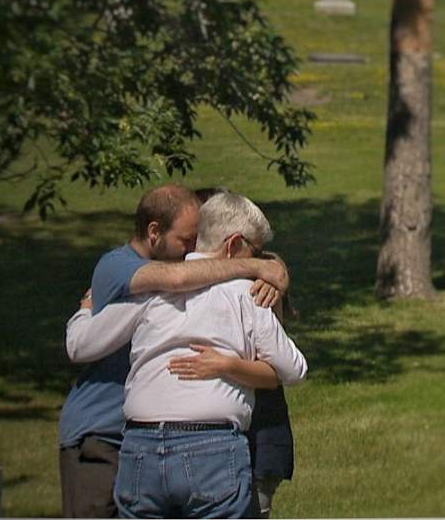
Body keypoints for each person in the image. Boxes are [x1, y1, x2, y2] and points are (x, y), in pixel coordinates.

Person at [65, 191, 307, 518]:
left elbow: (82, 345)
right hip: (212, 448)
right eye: (257, 251)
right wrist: (266, 274)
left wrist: (85, 311)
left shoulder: (152, 289)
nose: (261, 261)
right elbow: (294, 370)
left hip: (140, 447)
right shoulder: (243, 293)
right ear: (234, 245)